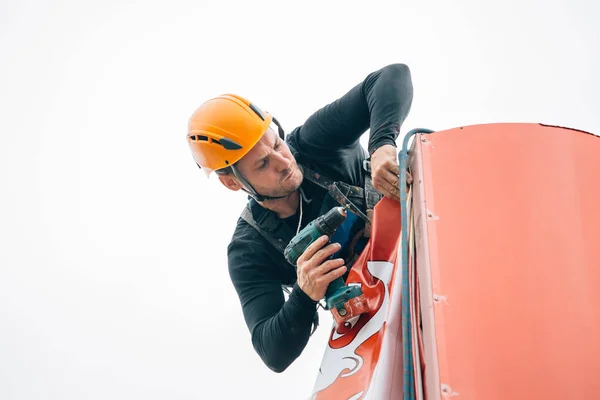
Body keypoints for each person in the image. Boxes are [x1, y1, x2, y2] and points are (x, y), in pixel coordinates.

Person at [186, 63, 414, 373]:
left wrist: (382, 145)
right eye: (263, 164)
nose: (283, 161)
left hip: (417, 243)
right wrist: (305, 294)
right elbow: (273, 353)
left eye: (277, 144)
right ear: (232, 182)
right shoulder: (249, 250)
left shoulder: (314, 145)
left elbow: (391, 76)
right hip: (382, 312)